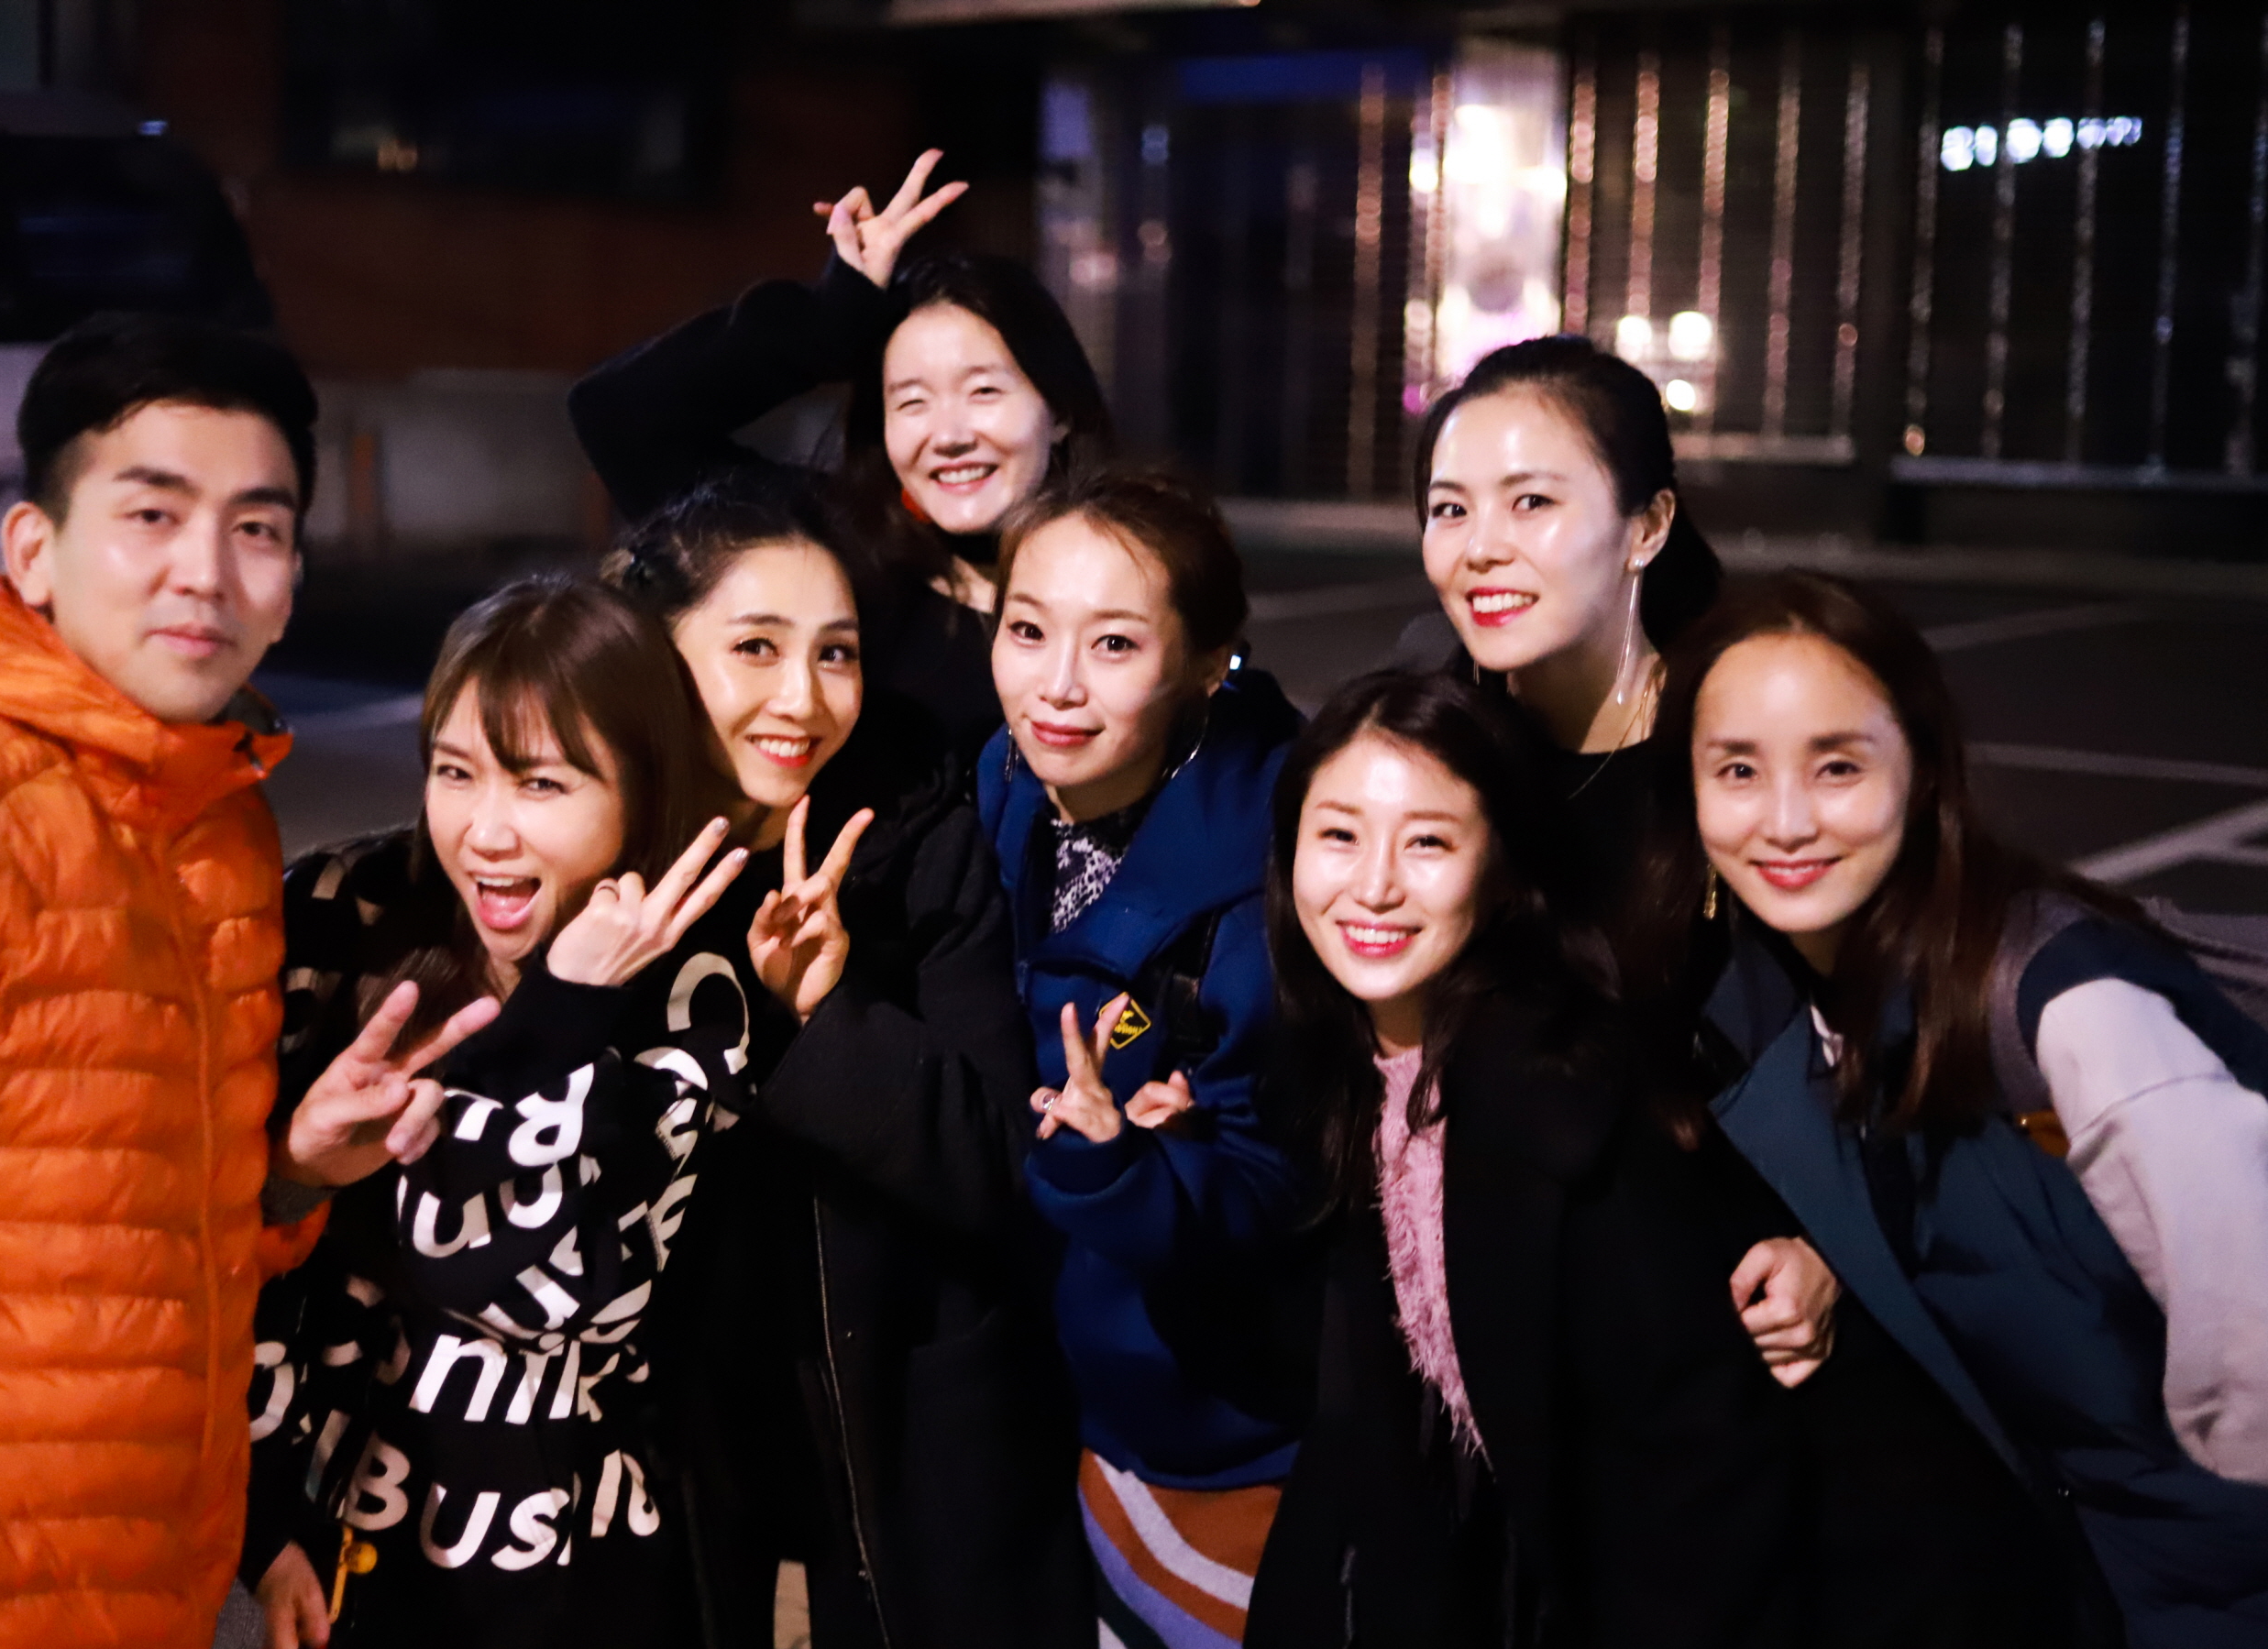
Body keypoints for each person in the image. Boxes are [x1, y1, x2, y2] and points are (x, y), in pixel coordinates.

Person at [1400, 336, 2073, 1644]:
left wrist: (1833, 1246)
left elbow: (1924, 1034)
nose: (1481, 546)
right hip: (1560, 1369)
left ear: (1648, 525)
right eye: (1449, 507)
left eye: (1531, 501)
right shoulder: (1447, 752)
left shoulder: (1739, 751)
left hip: (1781, 1403)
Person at [0, 313, 397, 1649]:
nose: (205, 572)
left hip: (154, 1583)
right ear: (32, 549)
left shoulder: (219, 819)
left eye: (255, 526)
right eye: (151, 514)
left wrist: (292, 1174)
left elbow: (132, 1228)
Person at [1655, 570, 2268, 1648]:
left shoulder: (2067, 1010)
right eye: (1737, 769)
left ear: (1924, 768)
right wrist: (1835, 1251)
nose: (1785, 821)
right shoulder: (1810, 998)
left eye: (1838, 765)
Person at [608, 469, 1088, 1649]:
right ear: (653, 654)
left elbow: (997, 1161)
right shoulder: (596, 861)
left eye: (835, 653)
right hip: (665, 1470)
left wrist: (823, 1014)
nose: (803, 697)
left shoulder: (916, 843)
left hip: (892, 1454)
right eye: (755, 647)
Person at [242, 577, 763, 1649]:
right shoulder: (339, 910)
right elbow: (236, 1241)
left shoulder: (689, 993)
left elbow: (535, 1284)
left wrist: (563, 1010)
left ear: (638, 793)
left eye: (540, 783)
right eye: (454, 771)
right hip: (334, 1530)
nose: (483, 830)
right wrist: (265, 1513)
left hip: (569, 1555)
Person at [1247, 669, 1809, 1647]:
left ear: (1505, 872)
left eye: (1428, 841)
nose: (1373, 884)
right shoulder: (1342, 1062)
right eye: (1338, 834)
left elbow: (1690, 1466)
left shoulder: (1555, 1098)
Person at [974, 467, 1309, 1649]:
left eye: (1114, 643)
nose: (1056, 684)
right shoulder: (1009, 778)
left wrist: (1133, 1166)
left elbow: (1288, 1185)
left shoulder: (1277, 881)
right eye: (1026, 629)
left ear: (1210, 662)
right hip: (1048, 1392)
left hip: (1208, 1432)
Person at [569, 149, 1114, 758]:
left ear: (1060, 411)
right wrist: (831, 321)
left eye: (984, 391)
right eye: (912, 401)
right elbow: (617, 416)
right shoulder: (830, 554)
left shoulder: (1129, 588)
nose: (949, 434)